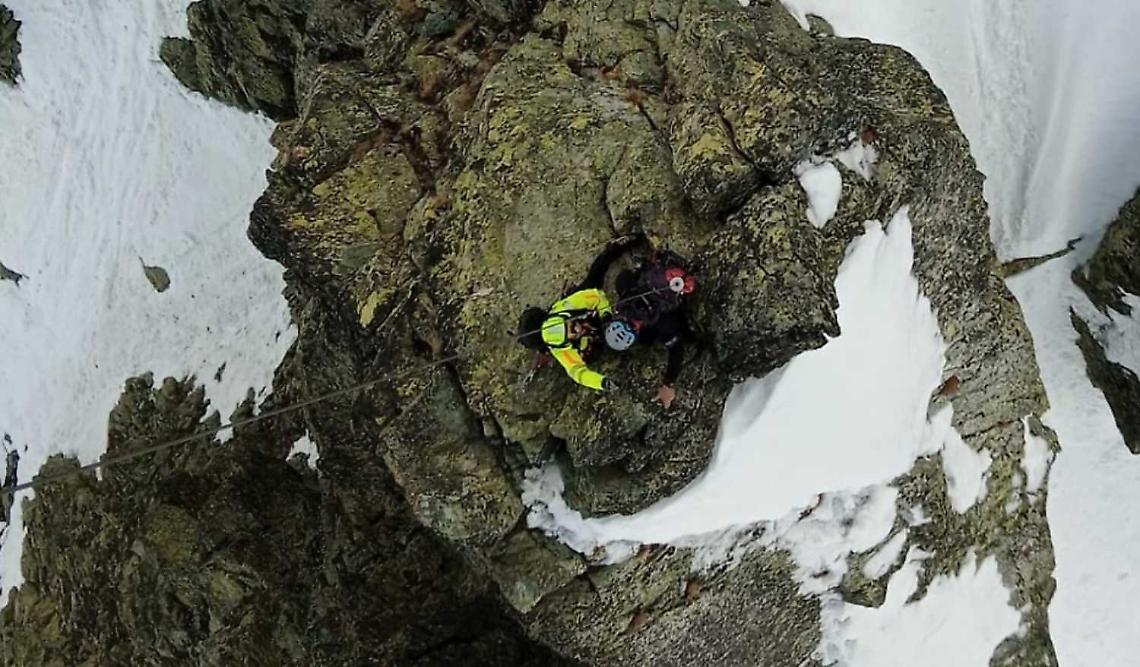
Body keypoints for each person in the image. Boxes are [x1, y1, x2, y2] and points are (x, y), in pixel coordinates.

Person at [517, 237, 640, 391]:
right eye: (572, 333)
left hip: (587, 312)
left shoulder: (567, 306)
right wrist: (602, 383)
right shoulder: (563, 352)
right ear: (564, 343)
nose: (577, 329)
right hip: (593, 337)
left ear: (564, 318)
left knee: (595, 275)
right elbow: (579, 374)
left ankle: (616, 248)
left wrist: (605, 315)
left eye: (572, 325)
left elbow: (596, 296)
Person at [604, 245, 698, 408]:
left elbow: (677, 349)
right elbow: (624, 277)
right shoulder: (626, 295)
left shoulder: (658, 324)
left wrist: (668, 384)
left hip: (675, 296)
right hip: (667, 280)